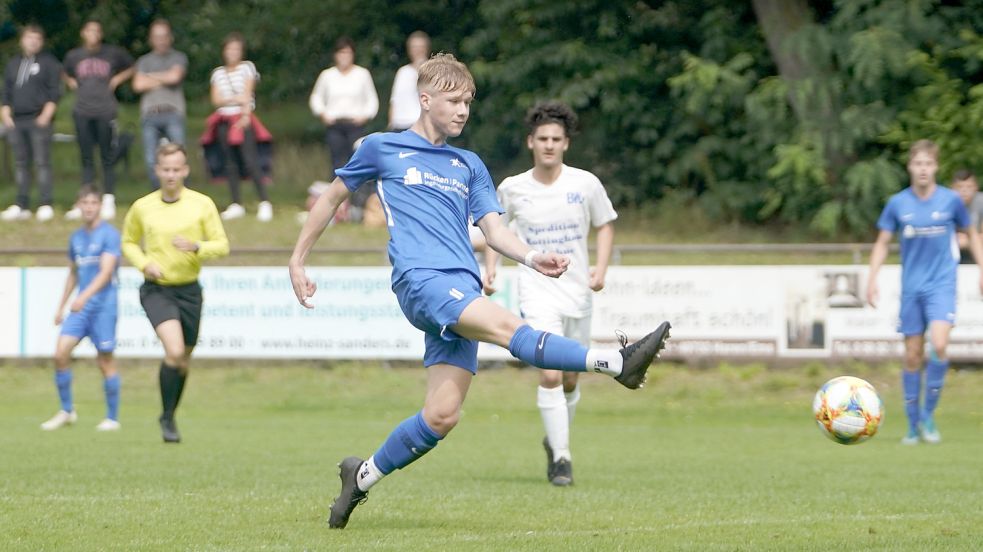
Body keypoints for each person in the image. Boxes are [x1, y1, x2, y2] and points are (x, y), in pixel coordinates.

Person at [288, 53, 670, 529]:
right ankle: (617, 363)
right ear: (425, 100)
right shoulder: (383, 148)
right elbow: (331, 197)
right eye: (453, 101)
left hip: (459, 287)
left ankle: (360, 477)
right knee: (510, 326)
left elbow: (493, 229)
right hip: (422, 282)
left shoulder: (467, 163)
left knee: (442, 416)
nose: (463, 110)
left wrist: (531, 257)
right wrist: (298, 258)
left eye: (468, 101)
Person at [482, 101, 617, 486]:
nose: (549, 145)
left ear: (566, 144)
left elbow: (605, 224)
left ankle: (556, 438)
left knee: (573, 378)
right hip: (537, 291)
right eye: (542, 138)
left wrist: (600, 269)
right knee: (551, 373)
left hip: (577, 292)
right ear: (530, 142)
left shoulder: (585, 184)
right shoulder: (512, 188)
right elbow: (495, 230)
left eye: (556, 139)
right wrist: (491, 268)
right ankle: (562, 458)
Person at [867, 140, 983, 446]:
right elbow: (882, 242)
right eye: (917, 163)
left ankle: (929, 416)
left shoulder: (950, 201)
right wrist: (872, 277)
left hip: (941, 285)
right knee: (912, 355)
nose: (923, 169)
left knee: (940, 344)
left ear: (936, 167)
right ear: (910, 167)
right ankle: (912, 423)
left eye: (928, 164)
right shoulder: (897, 203)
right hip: (912, 289)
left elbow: (971, 233)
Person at [121, 143, 229, 443]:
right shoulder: (143, 206)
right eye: (165, 169)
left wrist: (198, 247)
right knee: (175, 351)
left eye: (176, 169)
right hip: (158, 290)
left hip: (190, 291)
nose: (171, 174)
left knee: (183, 360)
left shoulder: (202, 204)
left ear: (185, 170)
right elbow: (128, 242)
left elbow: (222, 244)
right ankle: (167, 418)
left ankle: (169, 414)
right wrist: (144, 263)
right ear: (157, 170)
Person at [42, 185, 122, 431]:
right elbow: (73, 274)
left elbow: (107, 272)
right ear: (78, 206)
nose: (88, 207)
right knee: (60, 353)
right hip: (80, 308)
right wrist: (61, 306)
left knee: (104, 360)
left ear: (100, 206)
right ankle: (67, 411)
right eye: (84, 203)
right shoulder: (76, 237)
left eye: (93, 203)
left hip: (103, 307)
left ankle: (112, 417)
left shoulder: (109, 235)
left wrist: (84, 297)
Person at [62, 19, 134, 221]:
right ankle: (84, 201)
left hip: (105, 110)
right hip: (82, 111)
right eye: (89, 30)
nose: (93, 34)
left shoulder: (112, 53)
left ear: (101, 34)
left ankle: (108, 199)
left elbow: (131, 67)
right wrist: (71, 82)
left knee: (107, 157)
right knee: (86, 158)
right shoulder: (74, 55)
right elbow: (64, 71)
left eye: (97, 30)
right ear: (83, 33)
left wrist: (117, 80)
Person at [309, 37, 379, 220]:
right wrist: (323, 113)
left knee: (357, 164)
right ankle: (335, 208)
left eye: (347, 53)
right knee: (336, 165)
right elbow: (316, 98)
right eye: (341, 53)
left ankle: (357, 206)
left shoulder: (362, 74)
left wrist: (365, 115)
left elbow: (372, 100)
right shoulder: (327, 75)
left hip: (355, 125)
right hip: (335, 125)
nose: (344, 57)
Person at [209, 32, 272, 221]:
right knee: (230, 162)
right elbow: (215, 100)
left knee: (250, 160)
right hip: (223, 120)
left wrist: (244, 113)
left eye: (236, 49)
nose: (232, 53)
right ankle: (236, 202)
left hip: (242, 118)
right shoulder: (218, 73)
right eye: (229, 49)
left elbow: (247, 94)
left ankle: (264, 201)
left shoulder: (247, 68)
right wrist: (233, 99)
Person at [0, 25, 61, 222]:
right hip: (16, 121)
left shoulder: (49, 63)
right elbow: (6, 92)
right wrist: (5, 113)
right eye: (29, 37)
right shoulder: (13, 63)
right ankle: (22, 204)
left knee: (42, 163)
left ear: (41, 42)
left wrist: (46, 116)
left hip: (39, 119)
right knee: (20, 164)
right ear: (22, 40)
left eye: (37, 38)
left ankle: (45, 203)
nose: (32, 41)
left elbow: (54, 92)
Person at [132, 19, 188, 190]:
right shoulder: (143, 61)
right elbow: (137, 85)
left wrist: (150, 77)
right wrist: (164, 77)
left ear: (170, 38)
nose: (161, 40)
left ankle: (181, 194)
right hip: (150, 114)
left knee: (179, 156)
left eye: (164, 36)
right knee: (151, 159)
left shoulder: (179, 57)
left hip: (173, 113)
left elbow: (175, 77)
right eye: (157, 37)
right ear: (151, 39)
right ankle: (158, 193)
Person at [388, 31, 430, 131]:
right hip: (399, 125)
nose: (418, 50)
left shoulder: (432, 72)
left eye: (421, 47)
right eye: (414, 47)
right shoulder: (402, 72)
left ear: (426, 49)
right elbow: (394, 100)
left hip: (420, 125)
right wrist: (391, 122)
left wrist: (421, 67)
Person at [951, 169, 983, 264]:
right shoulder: (946, 203)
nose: (964, 191)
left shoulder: (981, 202)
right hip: (952, 257)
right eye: (960, 187)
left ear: (976, 187)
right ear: (952, 188)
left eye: (969, 187)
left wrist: (966, 241)